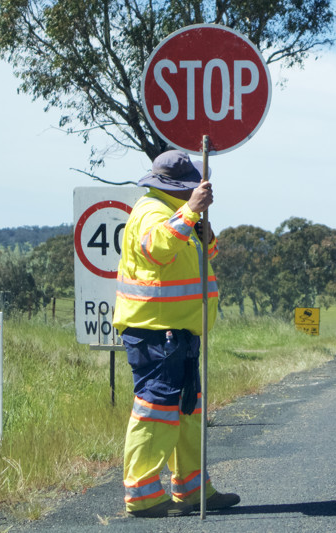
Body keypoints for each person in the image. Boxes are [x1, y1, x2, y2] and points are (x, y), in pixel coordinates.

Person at [113, 150, 240, 518]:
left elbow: (203, 253)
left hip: (179, 331)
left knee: (187, 410)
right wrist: (190, 212)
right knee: (156, 410)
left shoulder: (176, 214)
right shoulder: (152, 211)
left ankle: (193, 489)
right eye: (190, 188)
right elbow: (157, 249)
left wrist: (204, 229)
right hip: (156, 333)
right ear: (177, 187)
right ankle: (143, 495)